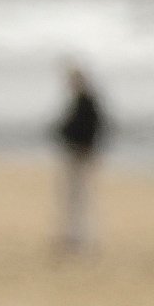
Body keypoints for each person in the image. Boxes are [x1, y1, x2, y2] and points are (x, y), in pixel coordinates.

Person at [52, 63, 110, 254]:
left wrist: (87, 147)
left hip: (81, 155)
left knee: (80, 197)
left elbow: (94, 127)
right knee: (71, 197)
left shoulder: (87, 102)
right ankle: (72, 236)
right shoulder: (79, 101)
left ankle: (80, 239)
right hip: (75, 153)